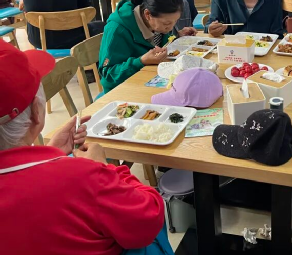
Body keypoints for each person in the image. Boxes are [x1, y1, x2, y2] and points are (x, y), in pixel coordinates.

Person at [0, 41, 172, 255]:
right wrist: (103, 167)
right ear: (36, 111)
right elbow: (149, 219)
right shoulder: (83, 178)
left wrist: (52, 154)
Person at [99, 0, 195, 93]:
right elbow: (107, 74)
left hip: (148, 80)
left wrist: (177, 36)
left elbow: (158, 45)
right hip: (121, 91)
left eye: (175, 21)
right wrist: (141, 61)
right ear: (147, 14)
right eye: (167, 23)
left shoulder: (156, 23)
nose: (171, 28)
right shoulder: (117, 29)